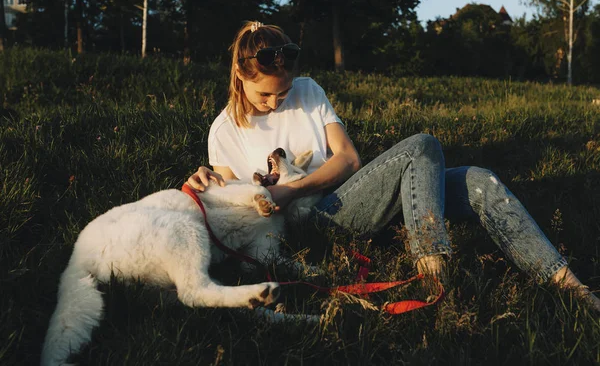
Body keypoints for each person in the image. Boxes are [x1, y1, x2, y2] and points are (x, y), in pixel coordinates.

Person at [187, 20, 600, 311]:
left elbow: (349, 160)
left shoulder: (310, 91)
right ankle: (434, 270)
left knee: (479, 180)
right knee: (420, 146)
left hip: (346, 198)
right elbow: (230, 205)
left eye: (284, 92)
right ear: (240, 75)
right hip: (313, 224)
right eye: (266, 95)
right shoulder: (223, 133)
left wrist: (292, 187)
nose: (277, 102)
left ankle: (569, 285)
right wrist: (204, 184)